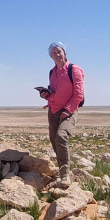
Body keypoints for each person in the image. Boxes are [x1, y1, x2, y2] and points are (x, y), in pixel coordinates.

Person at [39, 41, 84, 186]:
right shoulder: (52, 72)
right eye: (54, 53)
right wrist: (46, 95)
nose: (57, 55)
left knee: (61, 137)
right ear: (51, 56)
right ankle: (62, 170)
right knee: (54, 141)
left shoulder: (74, 70)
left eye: (59, 51)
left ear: (64, 52)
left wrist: (68, 110)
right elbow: (54, 93)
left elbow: (78, 95)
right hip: (53, 111)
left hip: (69, 111)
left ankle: (65, 175)